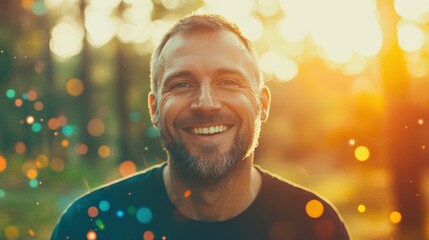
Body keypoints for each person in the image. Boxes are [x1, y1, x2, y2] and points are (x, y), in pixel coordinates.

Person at [51, 13, 349, 240]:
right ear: (154, 109)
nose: (206, 103)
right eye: (182, 84)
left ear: (263, 104)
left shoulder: (313, 225)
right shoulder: (88, 225)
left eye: (228, 82)